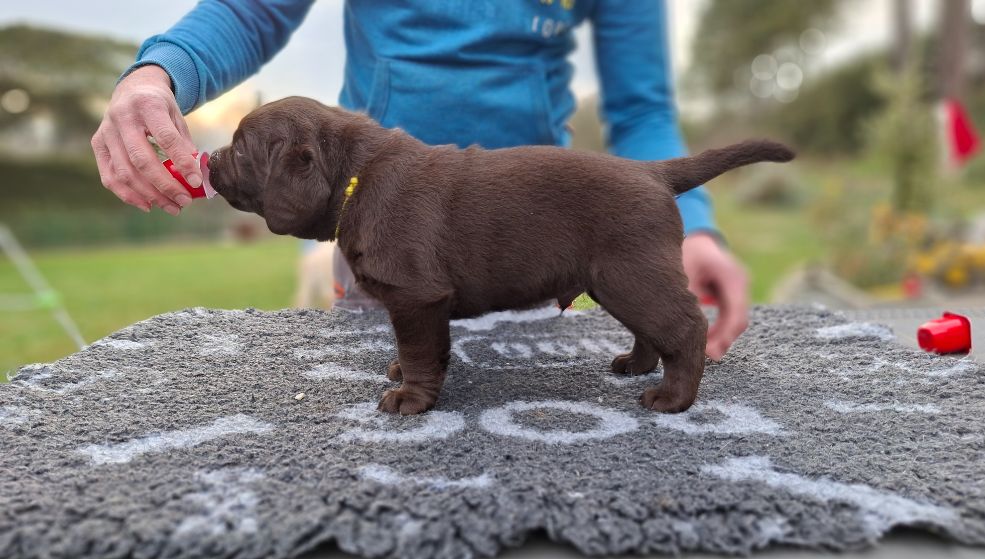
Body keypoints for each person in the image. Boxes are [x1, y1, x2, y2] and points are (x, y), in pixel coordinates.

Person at [91, 0, 749, 361]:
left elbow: (643, 111)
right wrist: (158, 72)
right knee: (390, 420)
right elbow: (251, 10)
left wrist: (690, 228)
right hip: (368, 234)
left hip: (538, 247)